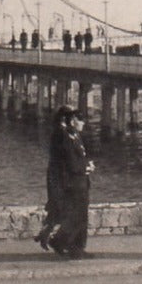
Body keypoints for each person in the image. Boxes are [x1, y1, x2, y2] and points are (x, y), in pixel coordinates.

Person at [36, 105, 95, 259]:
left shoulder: (74, 135)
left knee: (80, 216)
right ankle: (62, 242)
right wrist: (85, 168)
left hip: (80, 181)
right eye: (78, 118)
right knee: (76, 216)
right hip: (73, 182)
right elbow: (69, 162)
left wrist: (86, 166)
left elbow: (78, 157)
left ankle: (75, 247)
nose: (82, 122)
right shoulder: (63, 136)